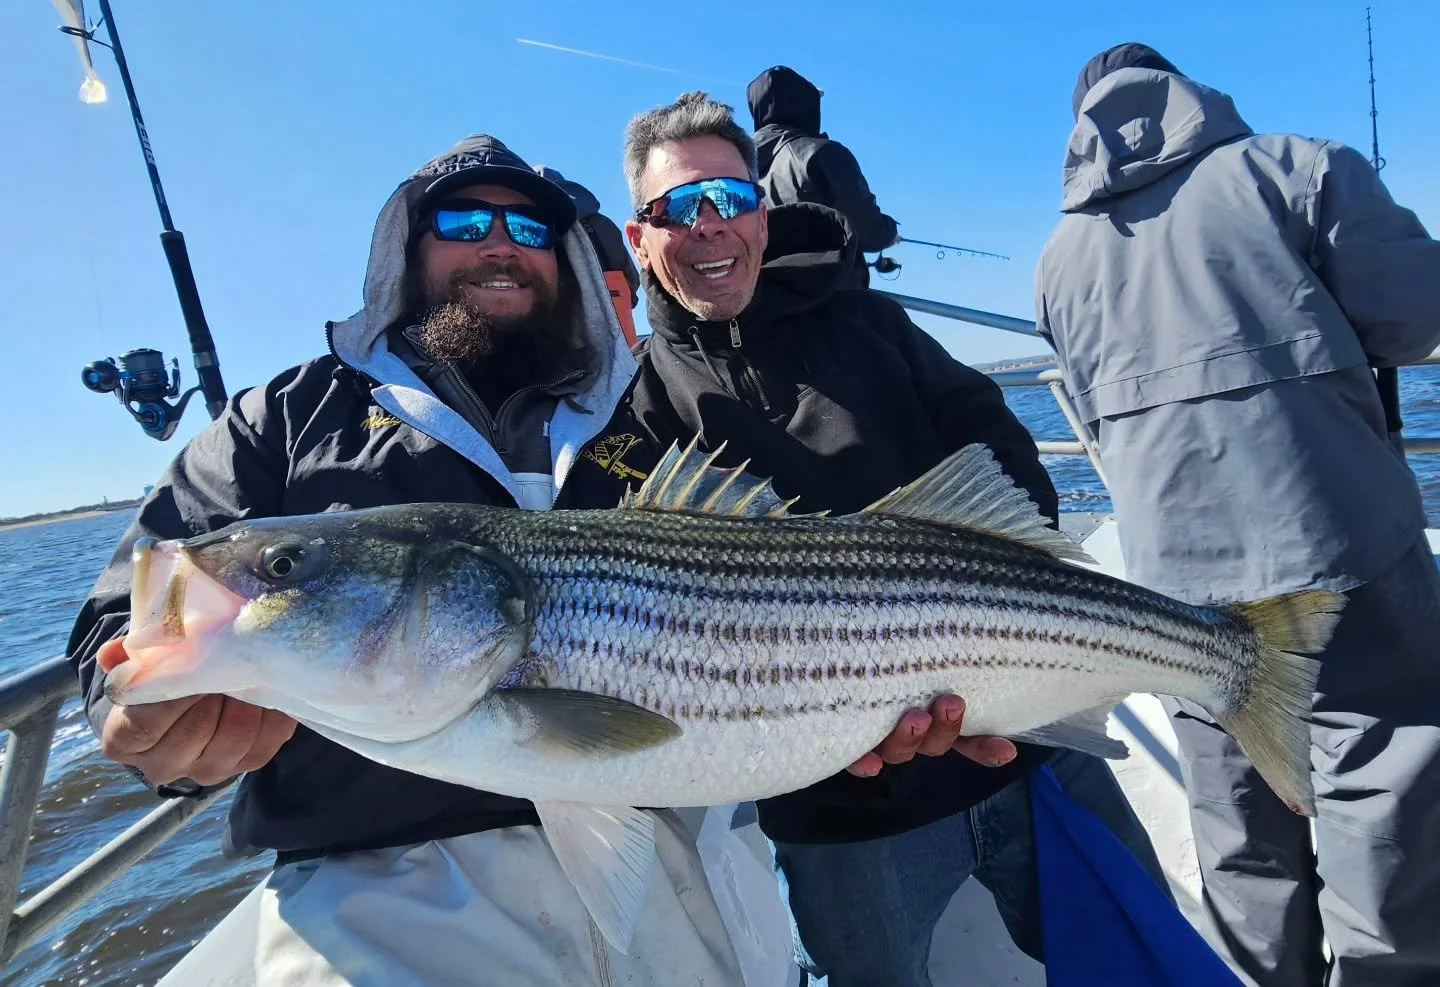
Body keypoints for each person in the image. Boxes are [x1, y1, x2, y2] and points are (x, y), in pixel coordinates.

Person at [65, 134, 749, 986]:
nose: (499, 244)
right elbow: (139, 603)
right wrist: (143, 720)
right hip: (380, 901)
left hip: (664, 865)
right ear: (407, 248)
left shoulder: (652, 412)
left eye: (531, 231)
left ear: (568, 260)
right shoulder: (285, 418)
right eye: (464, 220)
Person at [620, 89, 1168, 986]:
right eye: (682, 207)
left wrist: (992, 587)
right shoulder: (639, 410)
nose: (713, 226)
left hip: (1021, 733)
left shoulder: (870, 322)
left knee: (1141, 956)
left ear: (763, 212)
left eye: (734, 199)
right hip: (839, 805)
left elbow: (992, 435)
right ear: (640, 238)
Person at [1036, 42, 1440, 987]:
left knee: (1238, 829)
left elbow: (1095, 412)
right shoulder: (1301, 168)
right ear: (1187, 92)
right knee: (1378, 789)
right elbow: (1416, 319)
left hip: (1174, 585)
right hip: (1343, 547)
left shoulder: (1059, 258)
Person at [747, 65, 900, 288]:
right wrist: (890, 232)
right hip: (828, 302)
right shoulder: (822, 154)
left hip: (764, 301)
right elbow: (869, 231)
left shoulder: (739, 166)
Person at [534, 163, 642, 347]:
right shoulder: (604, 223)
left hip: (569, 322)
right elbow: (632, 278)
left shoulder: (542, 222)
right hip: (620, 324)